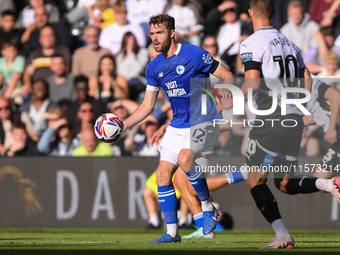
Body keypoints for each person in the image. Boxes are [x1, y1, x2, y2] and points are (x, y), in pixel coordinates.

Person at [216, 0, 340, 249]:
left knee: (255, 181)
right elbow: (307, 80)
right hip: (293, 120)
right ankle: (329, 183)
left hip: (270, 118)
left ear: (250, 13)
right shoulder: (290, 43)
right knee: (283, 183)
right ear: (273, 13)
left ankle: (282, 235)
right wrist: (298, 110)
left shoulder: (251, 43)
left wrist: (232, 102)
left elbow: (251, 85)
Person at [123, 14, 235, 243]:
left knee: (185, 160)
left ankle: (207, 207)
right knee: (163, 175)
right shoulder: (153, 67)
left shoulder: (194, 54)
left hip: (203, 120)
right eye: (152, 33)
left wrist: (226, 96)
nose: (154, 38)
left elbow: (228, 76)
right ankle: (172, 233)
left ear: (172, 33)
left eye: (159, 33)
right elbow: (147, 105)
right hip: (178, 124)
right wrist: (123, 125)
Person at [22, 26, 71, 95]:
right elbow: (28, 72)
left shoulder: (63, 51)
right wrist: (27, 84)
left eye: (50, 35)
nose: (48, 38)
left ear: (55, 37)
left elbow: (67, 69)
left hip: (57, 87)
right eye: (45, 36)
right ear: (40, 39)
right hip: (37, 88)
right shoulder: (34, 54)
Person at [116, 32, 149, 101]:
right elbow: (121, 73)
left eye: (133, 42)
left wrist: (131, 53)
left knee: (131, 82)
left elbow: (138, 70)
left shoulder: (143, 52)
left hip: (139, 82)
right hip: (126, 83)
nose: (131, 44)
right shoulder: (120, 56)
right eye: (128, 43)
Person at [0, 38, 25, 105]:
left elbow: (16, 77)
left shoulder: (19, 59)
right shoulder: (1, 61)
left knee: (18, 101)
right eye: (9, 51)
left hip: (17, 88)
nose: (12, 54)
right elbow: (0, 77)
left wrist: (6, 96)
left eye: (14, 51)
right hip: (5, 87)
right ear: (3, 52)